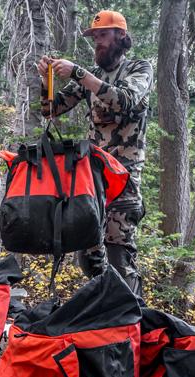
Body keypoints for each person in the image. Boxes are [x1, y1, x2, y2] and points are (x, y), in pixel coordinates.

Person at [37, 10, 153, 296]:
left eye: (103, 35)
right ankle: (103, 309)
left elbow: (125, 100)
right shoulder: (94, 75)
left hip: (124, 177)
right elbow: (51, 110)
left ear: (120, 36)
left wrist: (78, 73)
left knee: (118, 252)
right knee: (88, 254)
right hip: (93, 178)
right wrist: (46, 80)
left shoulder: (139, 68)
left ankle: (132, 313)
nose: (97, 42)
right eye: (95, 37)